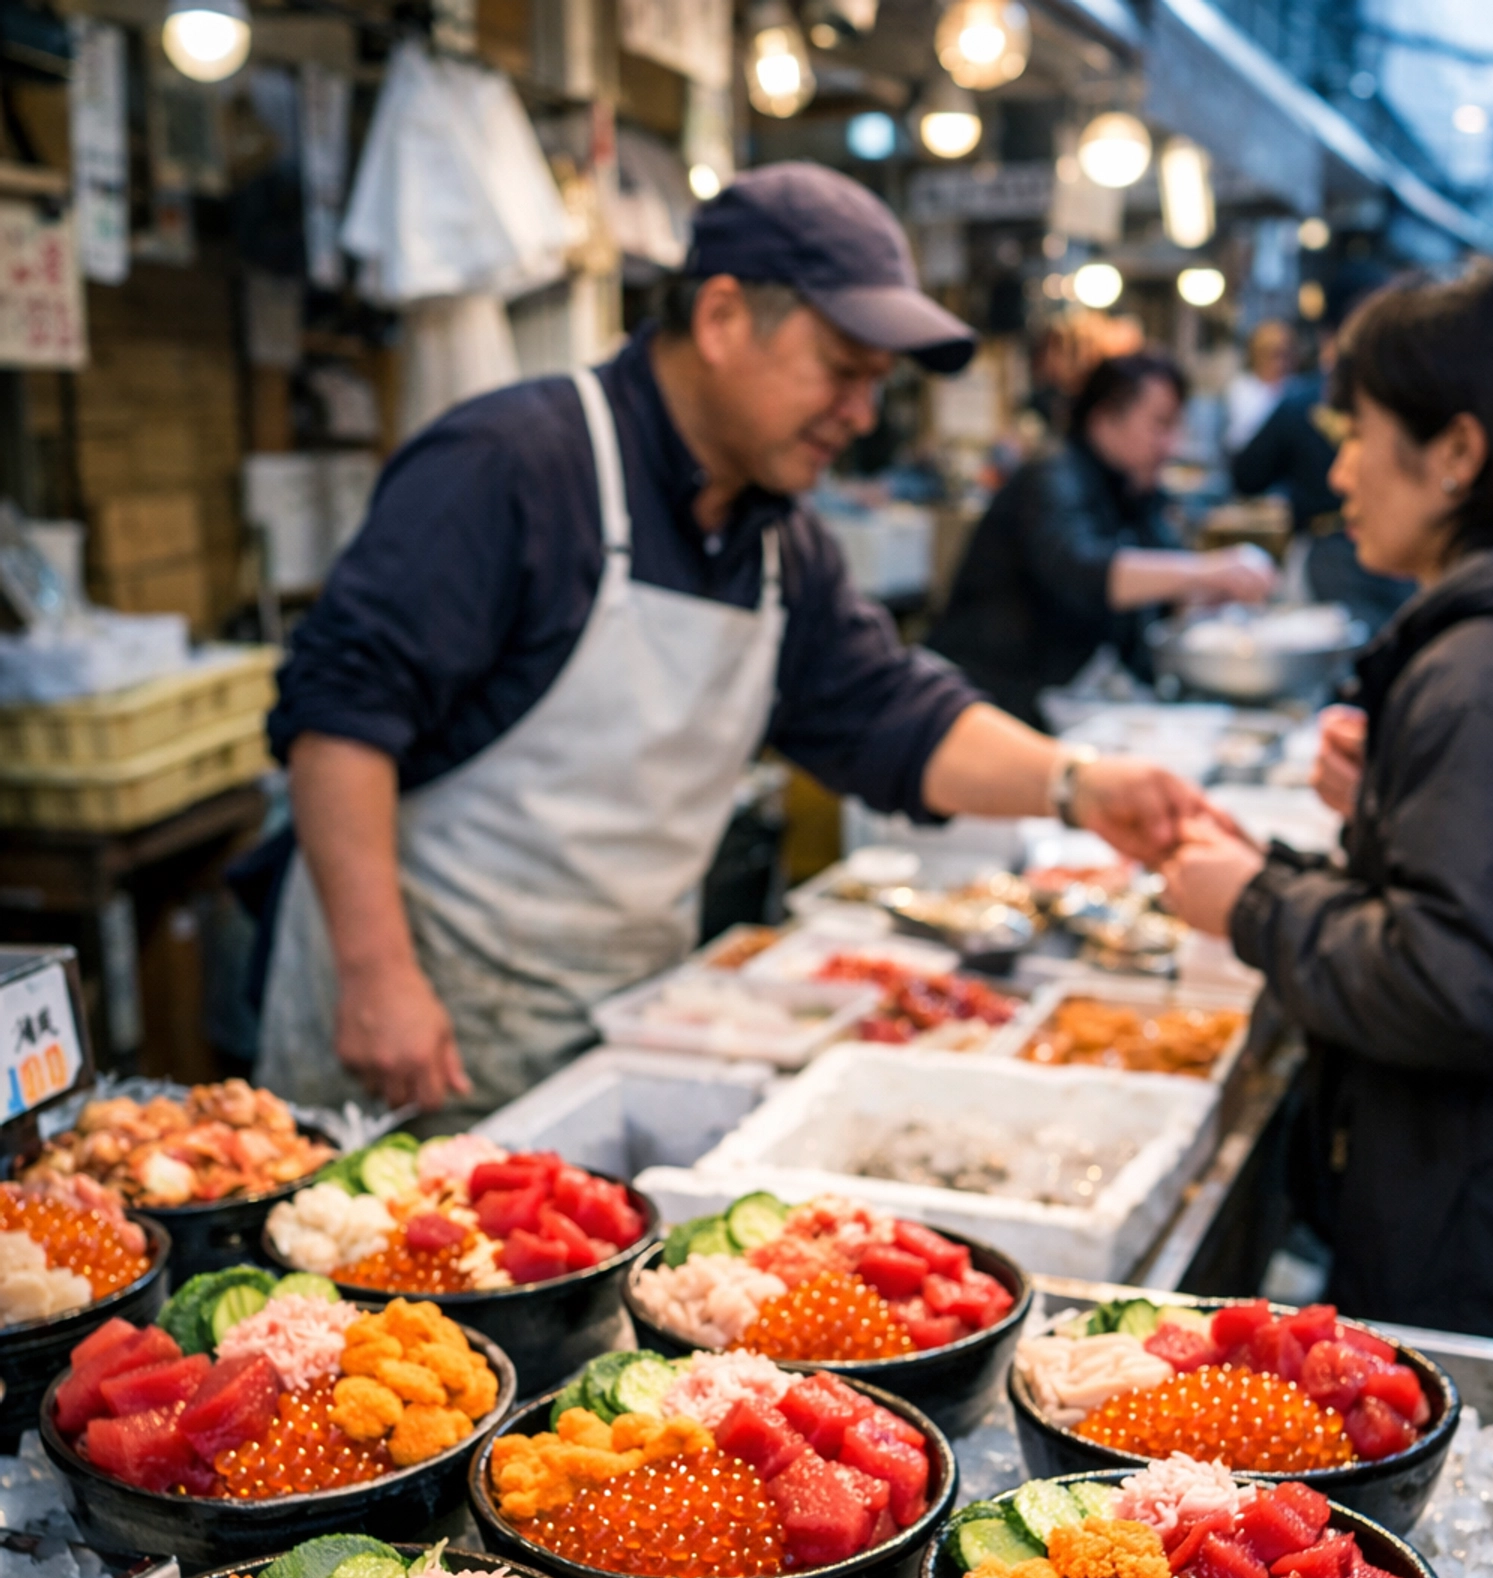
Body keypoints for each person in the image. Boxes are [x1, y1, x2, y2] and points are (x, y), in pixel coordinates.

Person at [258, 165, 1217, 1113]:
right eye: (843, 373)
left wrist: (1078, 784)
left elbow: (888, 712)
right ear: (720, 320)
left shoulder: (779, 541)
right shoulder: (513, 466)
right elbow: (341, 718)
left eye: (876, 384)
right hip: (417, 1036)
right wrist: (377, 976)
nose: (862, 415)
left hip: (616, 1022)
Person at [1161, 259, 1493, 1339]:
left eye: (1360, 431)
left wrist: (1254, 906)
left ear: (1459, 452)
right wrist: (1330, 843)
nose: (1343, 470)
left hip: (1474, 1226)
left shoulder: (1484, 671)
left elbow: (1460, 981)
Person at [929, 351, 1273, 731]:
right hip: (986, 704)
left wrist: (1209, 591)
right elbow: (1081, 568)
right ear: (1105, 418)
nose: (1170, 446)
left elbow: (1165, 579)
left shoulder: (1135, 490)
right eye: (1160, 425)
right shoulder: (1051, 474)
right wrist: (1209, 572)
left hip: (1064, 702)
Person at [1231, 306, 1411, 637]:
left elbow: (1246, 476)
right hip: (1399, 555)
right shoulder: (1405, 399)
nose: (1340, 477)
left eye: (1356, 436)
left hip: (1327, 551)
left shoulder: (1301, 399)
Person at [1223, 319, 1295, 454]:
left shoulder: (1296, 388)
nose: (1281, 363)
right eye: (1274, 355)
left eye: (1286, 354)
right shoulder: (1242, 388)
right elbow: (1242, 435)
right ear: (1258, 354)